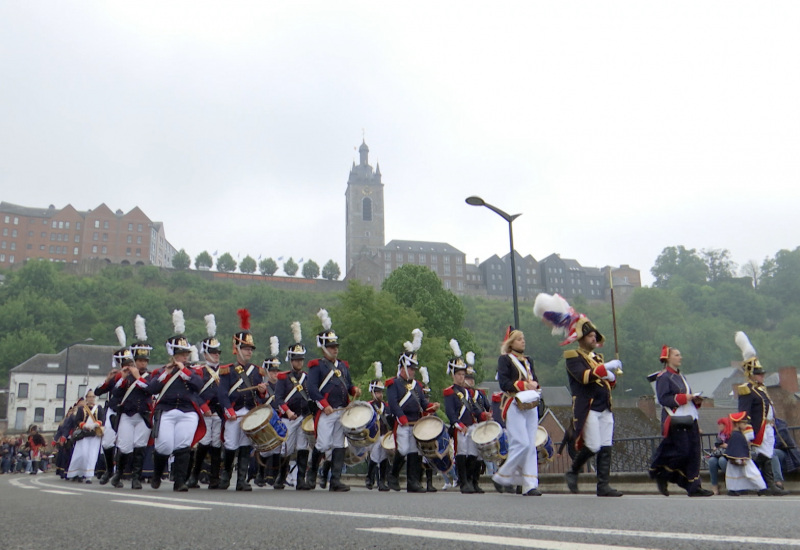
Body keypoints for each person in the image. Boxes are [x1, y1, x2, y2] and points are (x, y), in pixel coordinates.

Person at [563, 317, 623, 497]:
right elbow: (584, 377)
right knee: (594, 445)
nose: (593, 338)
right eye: (589, 335)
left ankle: (603, 485)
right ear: (581, 339)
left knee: (606, 446)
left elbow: (606, 385)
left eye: (594, 335)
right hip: (588, 407)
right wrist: (605, 369)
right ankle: (573, 471)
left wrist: (611, 379)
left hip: (604, 406)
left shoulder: (597, 358)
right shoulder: (573, 356)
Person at [146, 311, 205, 492]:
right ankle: (157, 473)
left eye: (186, 354)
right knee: (164, 444)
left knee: (183, 445)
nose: (185, 357)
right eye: (181, 354)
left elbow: (198, 385)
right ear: (172, 354)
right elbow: (151, 388)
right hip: (167, 410)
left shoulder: (194, 371)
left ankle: (180, 481)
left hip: (188, 411)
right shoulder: (162, 371)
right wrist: (169, 372)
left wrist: (183, 370)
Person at [306, 309, 360, 492]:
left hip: (342, 410)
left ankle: (335, 479)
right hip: (327, 411)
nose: (335, 349)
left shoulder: (343, 366)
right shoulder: (317, 366)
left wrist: (354, 390)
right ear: (323, 348)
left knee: (339, 444)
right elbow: (312, 389)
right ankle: (311, 475)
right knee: (322, 444)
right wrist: (325, 405)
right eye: (331, 347)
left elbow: (349, 385)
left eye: (336, 346)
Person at [649, 346, 713, 497]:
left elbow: (687, 398)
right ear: (668, 358)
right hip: (675, 419)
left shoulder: (681, 376)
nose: (680, 357)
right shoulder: (663, 377)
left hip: (689, 418)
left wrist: (695, 399)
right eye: (677, 355)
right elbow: (664, 399)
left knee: (694, 453)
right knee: (682, 451)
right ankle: (662, 474)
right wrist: (686, 397)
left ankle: (694, 486)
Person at [217, 308, 268, 491]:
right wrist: (228, 410)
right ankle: (226, 477)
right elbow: (222, 393)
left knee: (246, 446)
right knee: (231, 445)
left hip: (249, 414)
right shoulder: (227, 370)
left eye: (250, 349)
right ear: (237, 348)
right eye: (246, 348)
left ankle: (242, 480)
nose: (249, 352)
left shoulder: (256, 371)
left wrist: (262, 392)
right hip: (234, 412)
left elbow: (260, 396)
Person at [735, 331, 790, 496]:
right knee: (763, 455)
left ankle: (764, 485)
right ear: (751, 374)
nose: (762, 376)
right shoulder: (747, 390)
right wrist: (747, 428)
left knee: (766, 455)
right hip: (759, 427)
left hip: (769, 427)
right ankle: (763, 484)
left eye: (762, 373)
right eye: (759, 373)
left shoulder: (761, 389)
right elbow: (744, 412)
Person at [385, 329, 439, 493]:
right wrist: (400, 417)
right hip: (403, 422)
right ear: (402, 367)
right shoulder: (393, 384)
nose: (413, 371)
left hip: (416, 423)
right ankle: (393, 476)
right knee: (402, 450)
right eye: (410, 368)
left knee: (414, 452)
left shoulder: (417, 386)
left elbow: (423, 403)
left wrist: (432, 407)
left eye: (414, 368)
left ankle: (412, 483)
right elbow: (393, 403)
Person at [491, 327, 542, 496]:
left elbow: (534, 379)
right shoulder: (505, 360)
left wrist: (535, 386)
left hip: (530, 403)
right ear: (511, 343)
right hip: (513, 403)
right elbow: (504, 383)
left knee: (530, 445)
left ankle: (529, 484)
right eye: (520, 339)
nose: (523, 341)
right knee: (521, 442)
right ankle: (502, 476)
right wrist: (525, 385)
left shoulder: (528, 361)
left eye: (523, 338)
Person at [444, 340, 489, 494]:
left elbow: (474, 409)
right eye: (459, 374)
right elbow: (450, 413)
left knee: (474, 454)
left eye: (463, 374)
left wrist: (484, 415)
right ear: (453, 375)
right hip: (460, 427)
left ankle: (471, 480)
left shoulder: (468, 393)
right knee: (462, 454)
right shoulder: (449, 392)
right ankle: (463, 482)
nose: (462, 377)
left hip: (470, 426)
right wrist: (458, 425)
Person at [111, 329, 152, 490]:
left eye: (145, 361)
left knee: (140, 446)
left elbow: (150, 389)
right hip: (127, 415)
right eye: (140, 360)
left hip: (143, 415)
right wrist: (123, 377)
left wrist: (137, 377)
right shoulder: (126, 376)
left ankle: (136, 477)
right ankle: (119, 474)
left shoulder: (150, 376)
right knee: (125, 446)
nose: (143, 363)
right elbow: (116, 393)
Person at [275, 321, 313, 491]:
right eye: (296, 359)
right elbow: (278, 399)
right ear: (291, 360)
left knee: (303, 448)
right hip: (289, 418)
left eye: (301, 359)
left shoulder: (307, 377)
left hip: (303, 417)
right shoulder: (283, 378)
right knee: (286, 449)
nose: (299, 362)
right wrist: (287, 412)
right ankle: (281, 477)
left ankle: (301, 480)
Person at [188, 313, 224, 489]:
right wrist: (203, 407)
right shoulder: (199, 371)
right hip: (205, 412)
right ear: (205, 353)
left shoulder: (225, 372)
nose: (216, 355)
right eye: (212, 352)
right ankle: (194, 476)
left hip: (219, 413)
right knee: (203, 444)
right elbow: (193, 393)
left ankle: (214, 478)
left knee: (217, 445)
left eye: (218, 352)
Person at [723, 411, 766, 496]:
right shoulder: (736, 435)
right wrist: (739, 458)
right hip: (740, 458)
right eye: (744, 423)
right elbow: (736, 448)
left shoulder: (738, 434)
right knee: (752, 472)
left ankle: (734, 489)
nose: (746, 425)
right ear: (737, 424)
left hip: (739, 457)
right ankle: (762, 488)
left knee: (735, 473)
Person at [364, 362, 391, 492]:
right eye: (377, 392)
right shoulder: (368, 406)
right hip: (373, 435)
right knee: (375, 456)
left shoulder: (386, 406)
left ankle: (382, 481)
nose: (379, 395)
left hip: (384, 434)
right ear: (372, 392)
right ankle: (370, 478)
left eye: (380, 392)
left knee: (384, 457)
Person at [66, 390, 103, 482]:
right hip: (83, 434)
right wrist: (84, 425)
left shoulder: (99, 408)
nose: (92, 398)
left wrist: (95, 425)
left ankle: (89, 475)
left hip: (94, 434)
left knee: (92, 455)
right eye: (90, 397)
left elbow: (102, 419)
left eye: (93, 397)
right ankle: (78, 472)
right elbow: (77, 420)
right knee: (83, 454)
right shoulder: (82, 409)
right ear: (86, 398)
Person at [707, 417, 731, 495]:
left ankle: (730, 481)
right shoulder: (720, 435)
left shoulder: (731, 434)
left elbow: (733, 446)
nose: (719, 426)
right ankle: (714, 485)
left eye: (720, 424)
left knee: (722, 460)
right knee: (712, 461)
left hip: (728, 456)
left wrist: (725, 445)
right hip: (719, 453)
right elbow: (716, 445)